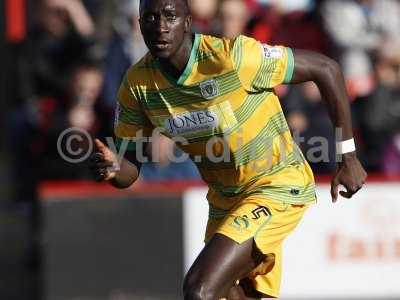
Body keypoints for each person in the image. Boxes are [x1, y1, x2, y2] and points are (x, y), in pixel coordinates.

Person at [89, 0, 367, 298]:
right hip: (225, 202)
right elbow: (131, 169)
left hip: (276, 184)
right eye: (150, 18)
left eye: (170, 16)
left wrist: (347, 156)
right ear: (140, 24)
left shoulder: (233, 57)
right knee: (236, 294)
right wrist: (114, 168)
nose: (160, 26)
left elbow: (326, 68)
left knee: (200, 289)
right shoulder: (137, 86)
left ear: (188, 21)